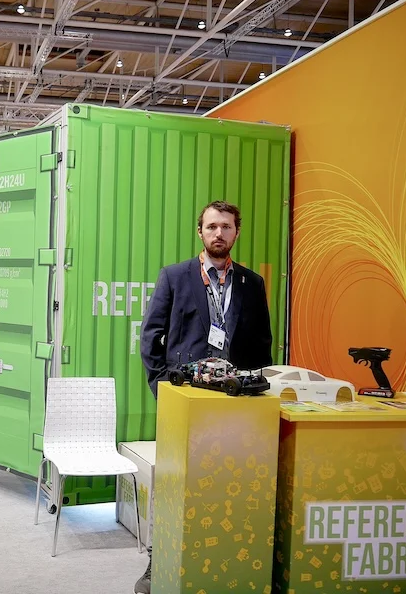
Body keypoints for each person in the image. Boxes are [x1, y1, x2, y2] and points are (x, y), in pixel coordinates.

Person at [134, 200, 273, 594]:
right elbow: (151, 337)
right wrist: (163, 388)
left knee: (230, 481)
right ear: (200, 232)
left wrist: (255, 389)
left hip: (235, 407)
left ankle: (225, 557)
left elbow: (262, 345)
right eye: (212, 226)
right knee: (173, 482)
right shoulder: (175, 276)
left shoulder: (251, 284)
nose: (218, 233)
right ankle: (158, 560)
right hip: (185, 402)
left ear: (236, 233)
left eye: (226, 227)